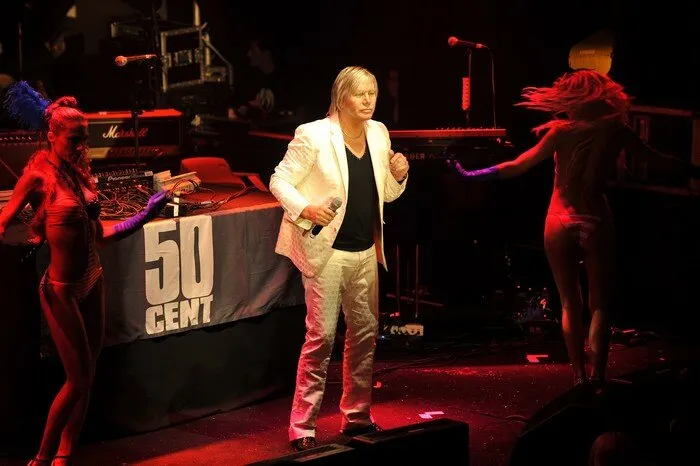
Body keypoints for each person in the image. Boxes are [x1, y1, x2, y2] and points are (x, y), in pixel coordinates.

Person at [446, 69, 698, 388]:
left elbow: (517, 166)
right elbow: (658, 160)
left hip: (559, 220)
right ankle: (598, 378)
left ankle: (579, 377)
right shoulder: (616, 130)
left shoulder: (559, 132)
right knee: (600, 305)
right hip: (595, 219)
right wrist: (694, 171)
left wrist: (470, 175)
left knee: (569, 303)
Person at [0, 82, 169, 466]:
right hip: (60, 290)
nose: (81, 147)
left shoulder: (78, 175)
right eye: (74, 139)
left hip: (93, 280)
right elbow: (4, 219)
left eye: (84, 139)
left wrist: (146, 214)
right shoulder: (37, 176)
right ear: (52, 135)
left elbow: (101, 236)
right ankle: (42, 457)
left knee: (87, 376)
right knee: (77, 378)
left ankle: (64, 455)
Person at [269, 65, 409, 451]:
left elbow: (386, 194)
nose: (368, 101)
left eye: (372, 93)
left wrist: (399, 175)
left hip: (365, 250)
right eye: (360, 94)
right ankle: (302, 426)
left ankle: (357, 416)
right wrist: (306, 208)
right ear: (340, 97)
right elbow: (279, 180)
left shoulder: (378, 133)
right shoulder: (313, 135)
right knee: (322, 336)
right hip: (327, 252)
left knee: (364, 335)